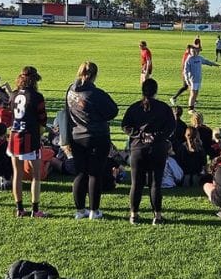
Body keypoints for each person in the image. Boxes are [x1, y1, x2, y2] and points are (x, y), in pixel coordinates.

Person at [63, 62, 119, 220]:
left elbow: (67, 111)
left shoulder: (71, 90)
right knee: (95, 173)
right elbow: (113, 111)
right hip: (97, 136)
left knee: (81, 173)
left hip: (76, 136)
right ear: (94, 75)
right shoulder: (95, 94)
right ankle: (94, 210)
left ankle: (80, 210)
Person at [121, 78, 176, 225]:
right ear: (156, 91)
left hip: (138, 149)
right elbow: (171, 127)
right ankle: (157, 216)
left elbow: (125, 126)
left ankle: (134, 214)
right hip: (157, 149)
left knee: (136, 183)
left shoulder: (134, 107)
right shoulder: (164, 108)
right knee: (155, 183)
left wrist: (139, 134)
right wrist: (156, 136)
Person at [8, 66, 49, 217]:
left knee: (17, 174)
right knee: (36, 175)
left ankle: (19, 209)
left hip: (14, 136)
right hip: (30, 137)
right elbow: (43, 119)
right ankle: (35, 210)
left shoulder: (13, 94)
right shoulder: (37, 96)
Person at [182, 45, 219, 110]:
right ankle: (190, 109)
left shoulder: (199, 58)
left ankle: (193, 107)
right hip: (192, 80)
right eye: (192, 51)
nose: (194, 52)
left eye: (194, 51)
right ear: (190, 52)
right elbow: (185, 71)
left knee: (196, 94)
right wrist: (187, 80)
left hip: (198, 79)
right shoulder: (189, 60)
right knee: (192, 94)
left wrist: (214, 64)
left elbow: (206, 61)